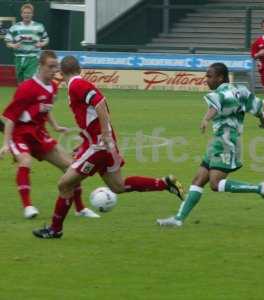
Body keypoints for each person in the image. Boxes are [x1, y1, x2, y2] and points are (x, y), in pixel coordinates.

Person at [32, 56, 185, 239]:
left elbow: (99, 103)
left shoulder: (76, 85)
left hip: (99, 145)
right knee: (118, 186)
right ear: (79, 68)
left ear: (61, 73)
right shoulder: (78, 84)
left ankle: (55, 229)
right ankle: (165, 183)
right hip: (101, 143)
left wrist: (103, 133)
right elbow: (92, 116)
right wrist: (86, 142)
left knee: (65, 184)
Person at [157, 63, 264, 228]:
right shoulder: (241, 91)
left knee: (215, 183)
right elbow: (257, 108)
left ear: (220, 77)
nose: (207, 79)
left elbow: (216, 104)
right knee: (198, 179)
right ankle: (178, 219)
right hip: (218, 141)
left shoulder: (222, 92)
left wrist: (206, 118)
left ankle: (260, 188)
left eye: (209, 76)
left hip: (226, 140)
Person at [0, 50, 99, 219]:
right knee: (25, 161)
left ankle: (80, 209)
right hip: (20, 134)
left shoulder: (53, 87)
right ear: (40, 66)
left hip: (39, 134)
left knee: (72, 167)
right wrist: (5, 144)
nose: (54, 70)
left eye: (56, 67)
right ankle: (28, 207)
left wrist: (55, 126)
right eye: (50, 66)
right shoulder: (26, 88)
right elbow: (10, 118)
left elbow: (46, 109)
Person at [4, 3, 49, 83]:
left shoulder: (39, 26)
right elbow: (7, 41)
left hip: (33, 57)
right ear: (21, 14)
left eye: (29, 13)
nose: (26, 15)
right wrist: (13, 45)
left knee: (28, 80)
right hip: (18, 57)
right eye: (25, 13)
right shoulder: (15, 27)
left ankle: (28, 94)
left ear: (32, 14)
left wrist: (41, 44)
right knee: (20, 81)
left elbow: (46, 39)